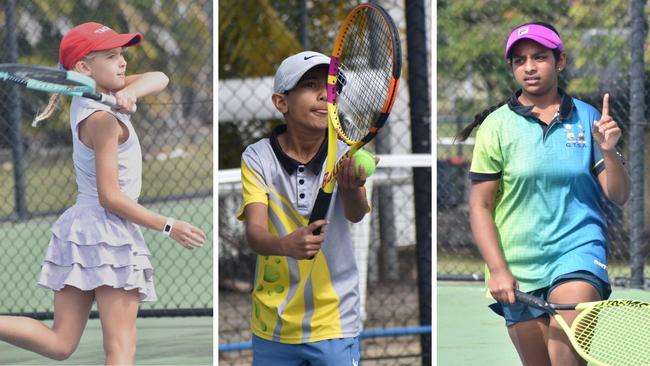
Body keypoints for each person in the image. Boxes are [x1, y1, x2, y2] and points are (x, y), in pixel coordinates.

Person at [0, 22, 206, 365]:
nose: (122, 62)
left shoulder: (93, 101)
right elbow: (110, 196)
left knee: (60, 344)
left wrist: (130, 94)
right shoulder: (103, 121)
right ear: (83, 68)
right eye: (111, 56)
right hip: (108, 230)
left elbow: (160, 77)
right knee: (121, 348)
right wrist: (169, 225)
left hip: (81, 228)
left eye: (122, 54)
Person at [459, 22, 630, 366]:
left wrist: (609, 151)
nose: (530, 67)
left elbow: (618, 194)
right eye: (520, 60)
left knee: (564, 356)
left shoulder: (588, 118)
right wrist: (497, 269)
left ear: (560, 61)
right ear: (512, 68)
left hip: (578, 252)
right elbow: (480, 206)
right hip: (518, 266)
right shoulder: (496, 126)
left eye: (540, 57)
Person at [237, 51, 372, 365]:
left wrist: (352, 188)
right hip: (274, 323)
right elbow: (255, 235)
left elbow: (356, 213)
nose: (325, 94)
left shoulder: (345, 149)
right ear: (282, 102)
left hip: (335, 319)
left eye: (332, 87)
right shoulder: (257, 158)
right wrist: (285, 245)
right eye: (311, 85)